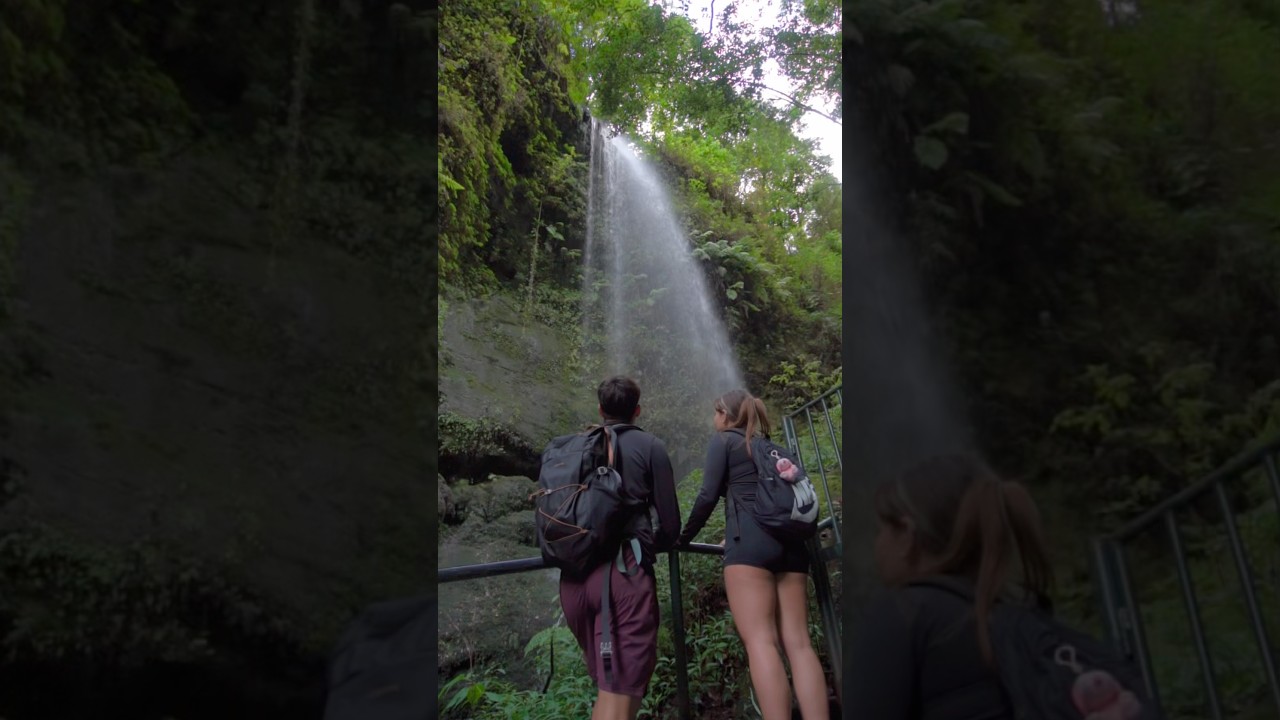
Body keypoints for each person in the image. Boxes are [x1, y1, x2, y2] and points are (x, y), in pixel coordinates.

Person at [847, 453, 1054, 719]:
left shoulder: (904, 615)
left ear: (907, 535)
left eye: (881, 530)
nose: (877, 543)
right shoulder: (1025, 611)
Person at [677, 389, 830, 720]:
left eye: (716, 413)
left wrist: (683, 538)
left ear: (726, 416)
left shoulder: (724, 441)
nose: (714, 419)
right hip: (792, 548)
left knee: (761, 642)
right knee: (799, 644)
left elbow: (706, 496)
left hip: (749, 547)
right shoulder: (770, 447)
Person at [558, 376, 682, 720]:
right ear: (637, 410)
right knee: (619, 697)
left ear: (600, 409)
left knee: (612, 694)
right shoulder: (650, 447)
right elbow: (671, 526)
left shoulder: (578, 445)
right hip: (621, 577)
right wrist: (651, 546)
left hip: (573, 580)